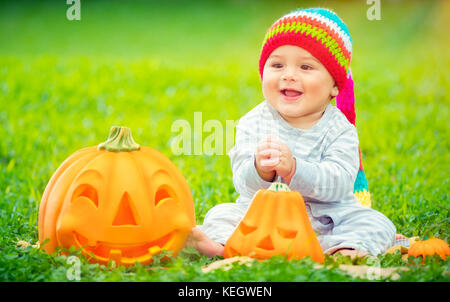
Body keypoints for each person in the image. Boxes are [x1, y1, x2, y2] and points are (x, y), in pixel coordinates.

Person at [187, 8, 396, 260]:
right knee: (221, 213)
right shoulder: (253, 122)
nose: (288, 75)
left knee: (375, 222)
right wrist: (259, 169)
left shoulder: (340, 129)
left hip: (325, 222)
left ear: (334, 86)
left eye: (306, 67)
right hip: (262, 220)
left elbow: (339, 184)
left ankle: (345, 250)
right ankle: (221, 245)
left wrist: (295, 169)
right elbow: (242, 182)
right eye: (277, 65)